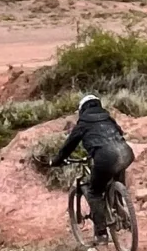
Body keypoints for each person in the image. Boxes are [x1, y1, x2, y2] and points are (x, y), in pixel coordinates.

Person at [50, 94, 134, 240]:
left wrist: (56, 161)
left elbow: (69, 146)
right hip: (126, 153)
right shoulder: (107, 117)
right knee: (116, 174)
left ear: (82, 109)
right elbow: (119, 132)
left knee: (94, 192)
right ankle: (119, 205)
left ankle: (101, 233)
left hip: (105, 157)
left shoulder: (83, 123)